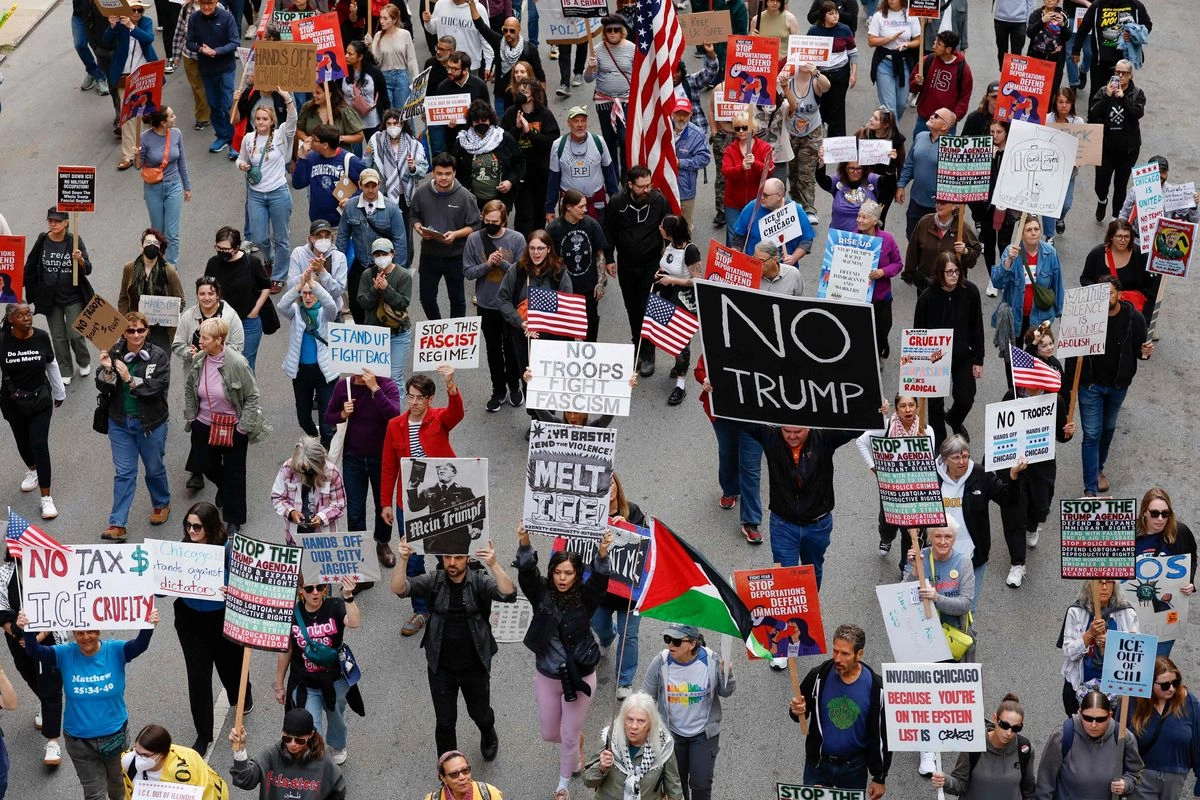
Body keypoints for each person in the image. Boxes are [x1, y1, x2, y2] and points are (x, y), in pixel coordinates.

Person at [392, 536, 516, 759]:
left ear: (467, 559)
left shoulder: (478, 580)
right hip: (441, 667)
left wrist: (494, 563)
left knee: (480, 714)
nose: (452, 562)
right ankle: (448, 766)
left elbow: (508, 593)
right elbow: (399, 589)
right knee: (445, 722)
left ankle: (488, 732)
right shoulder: (435, 580)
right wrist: (403, 560)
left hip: (474, 665)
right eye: (448, 557)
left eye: (458, 557)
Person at [18, 606, 158, 800]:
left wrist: (148, 624)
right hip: (79, 742)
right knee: (94, 794)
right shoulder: (64, 653)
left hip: (115, 737)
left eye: (91, 631)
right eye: (80, 633)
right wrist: (28, 627)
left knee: (118, 786)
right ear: (74, 634)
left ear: (99, 631)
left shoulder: (116, 650)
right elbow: (34, 651)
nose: (86, 637)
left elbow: (139, 645)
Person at [517, 524, 612, 800]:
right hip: (547, 675)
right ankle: (576, 739)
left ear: (576, 575)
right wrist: (525, 542)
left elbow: (599, 580)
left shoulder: (586, 597)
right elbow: (527, 575)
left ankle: (562, 786)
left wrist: (602, 554)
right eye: (557, 572)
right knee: (550, 733)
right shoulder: (542, 595)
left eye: (568, 573)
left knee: (567, 737)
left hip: (580, 676)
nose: (562, 578)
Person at [379, 367, 462, 634]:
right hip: (410, 502)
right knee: (412, 557)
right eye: (410, 397)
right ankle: (420, 610)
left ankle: (452, 601)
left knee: (445, 552)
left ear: (430, 399)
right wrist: (386, 503)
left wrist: (451, 384)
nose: (413, 403)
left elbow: (456, 413)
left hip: (441, 499)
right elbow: (389, 467)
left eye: (419, 398)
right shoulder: (395, 426)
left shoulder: (439, 418)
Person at [994, 324, 1074, 589]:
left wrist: (1068, 432)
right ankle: (1017, 563)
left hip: (1042, 465)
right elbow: (998, 430)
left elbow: (1062, 437)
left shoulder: (1056, 403)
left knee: (1039, 506)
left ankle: (1034, 524)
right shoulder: (1011, 397)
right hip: (1015, 466)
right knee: (1014, 510)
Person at [745, 421, 862, 585]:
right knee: (785, 580)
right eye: (786, 431)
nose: (791, 436)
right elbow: (736, 417)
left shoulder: (824, 439)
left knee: (812, 576)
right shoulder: (771, 437)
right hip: (783, 525)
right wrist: (715, 396)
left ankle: (811, 611)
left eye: (797, 432)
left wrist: (877, 408)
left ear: (808, 427)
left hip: (818, 526)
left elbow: (855, 427)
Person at [173, 501, 248, 755]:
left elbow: (244, 586)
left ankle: (242, 695)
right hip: (190, 621)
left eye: (197, 527)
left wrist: (230, 588)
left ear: (210, 526)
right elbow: (162, 591)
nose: (191, 531)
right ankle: (203, 734)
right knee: (198, 677)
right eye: (188, 525)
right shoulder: (180, 551)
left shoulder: (227, 550)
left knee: (231, 666)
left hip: (222, 618)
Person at [182, 316, 269, 535]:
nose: (200, 341)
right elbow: (190, 389)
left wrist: (243, 428)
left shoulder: (237, 363)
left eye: (204, 337)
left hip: (232, 426)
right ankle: (225, 487)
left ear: (219, 340)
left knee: (235, 473)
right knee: (205, 463)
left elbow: (252, 396)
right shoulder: (200, 359)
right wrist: (192, 417)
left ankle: (234, 519)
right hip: (203, 424)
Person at [788, 624, 890, 798]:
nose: (837, 658)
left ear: (859, 654)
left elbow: (883, 736)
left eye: (845, 654)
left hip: (854, 769)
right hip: (818, 765)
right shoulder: (819, 676)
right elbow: (799, 715)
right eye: (835, 651)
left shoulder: (876, 688)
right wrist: (797, 710)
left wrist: (879, 777)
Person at [1072, 275, 1152, 496]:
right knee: (1091, 433)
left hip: (1117, 386)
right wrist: (1070, 385)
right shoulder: (1085, 316)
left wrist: (1144, 354)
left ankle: (1098, 468)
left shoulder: (1134, 319)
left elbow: (1139, 351)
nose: (1106, 297)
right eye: (1102, 293)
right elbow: (1073, 349)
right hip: (1090, 386)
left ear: (1119, 294)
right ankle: (1090, 489)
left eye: (1110, 293)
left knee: (1107, 428)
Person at [96, 311, 172, 542]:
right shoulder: (114, 352)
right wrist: (108, 370)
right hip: (120, 423)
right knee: (124, 473)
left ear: (147, 331)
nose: (136, 334)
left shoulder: (158, 356)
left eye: (140, 330)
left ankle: (161, 503)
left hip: (151, 423)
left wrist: (129, 379)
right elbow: (102, 387)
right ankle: (118, 523)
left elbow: (156, 388)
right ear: (124, 332)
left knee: (154, 468)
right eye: (131, 330)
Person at [275, 575, 360, 766]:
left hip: (335, 680)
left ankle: (338, 745)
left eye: (319, 587)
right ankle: (318, 757)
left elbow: (354, 622)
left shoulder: (335, 606)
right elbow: (286, 651)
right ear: (300, 591)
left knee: (336, 716)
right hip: (305, 683)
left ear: (325, 588)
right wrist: (279, 685)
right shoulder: (292, 615)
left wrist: (348, 596)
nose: (315, 592)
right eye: (309, 588)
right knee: (310, 725)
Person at [642, 626, 735, 800]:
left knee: (701, 784)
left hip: (704, 735)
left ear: (693, 644)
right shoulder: (660, 662)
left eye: (677, 641)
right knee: (675, 784)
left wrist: (726, 674)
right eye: (668, 639)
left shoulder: (711, 660)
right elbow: (646, 697)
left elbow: (726, 692)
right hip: (672, 735)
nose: (671, 645)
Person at [936, 434, 1026, 610]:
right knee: (941, 604)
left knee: (968, 607)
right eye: (956, 458)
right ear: (945, 459)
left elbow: (1008, 501)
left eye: (965, 456)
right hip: (940, 551)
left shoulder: (980, 474)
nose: (962, 461)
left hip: (974, 554)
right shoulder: (932, 477)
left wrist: (1014, 477)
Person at [324, 368, 401, 566]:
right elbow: (328, 417)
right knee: (355, 509)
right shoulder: (344, 386)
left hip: (382, 458)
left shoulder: (387, 385)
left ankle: (382, 543)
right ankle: (358, 549)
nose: (358, 375)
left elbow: (395, 417)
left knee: (382, 504)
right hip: (353, 458)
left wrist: (375, 389)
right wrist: (342, 413)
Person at [0, 545, 64, 769]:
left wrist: (39, 636)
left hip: (48, 639)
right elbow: (2, 611)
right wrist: (18, 633)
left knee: (52, 686)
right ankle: (44, 703)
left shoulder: (51, 570)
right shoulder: (4, 574)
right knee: (30, 676)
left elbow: (61, 605)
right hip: (18, 642)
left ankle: (52, 741)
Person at [0, 303, 65, 518]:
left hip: (40, 399)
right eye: (19, 315)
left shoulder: (41, 337)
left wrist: (59, 391)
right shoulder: (2, 340)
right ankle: (33, 470)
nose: (26, 318)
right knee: (23, 443)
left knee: (39, 445)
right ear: (11, 320)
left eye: (28, 313)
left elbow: (51, 364)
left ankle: (46, 498)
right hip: (12, 401)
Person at [913, 254, 984, 444]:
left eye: (956, 271)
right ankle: (940, 442)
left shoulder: (971, 292)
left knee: (966, 398)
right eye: (949, 272)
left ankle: (954, 419)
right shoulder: (927, 298)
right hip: (934, 358)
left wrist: (979, 360)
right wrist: (917, 367)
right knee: (935, 404)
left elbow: (977, 327)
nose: (953, 275)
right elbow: (918, 332)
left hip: (962, 355)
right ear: (939, 273)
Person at [855, 394, 934, 565]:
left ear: (916, 407)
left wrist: (922, 443)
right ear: (896, 409)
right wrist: (874, 468)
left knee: (911, 530)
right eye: (903, 406)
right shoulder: (886, 426)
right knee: (887, 524)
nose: (907, 410)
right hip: (890, 487)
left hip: (914, 488)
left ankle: (905, 567)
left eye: (911, 405)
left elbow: (930, 462)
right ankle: (886, 539)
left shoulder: (926, 430)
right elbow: (861, 442)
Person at [603, 167, 670, 368]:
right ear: (630, 185)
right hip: (626, 263)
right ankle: (637, 345)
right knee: (632, 308)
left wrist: (669, 260)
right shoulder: (616, 202)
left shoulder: (659, 201)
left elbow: (671, 229)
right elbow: (609, 229)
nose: (646, 189)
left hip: (651, 265)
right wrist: (609, 258)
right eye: (641, 186)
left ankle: (648, 353)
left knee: (646, 309)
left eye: (649, 185)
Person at [462, 200, 526, 412]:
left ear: (504, 220)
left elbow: (522, 274)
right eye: (486, 221)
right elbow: (468, 272)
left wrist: (502, 264)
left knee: (513, 348)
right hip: (487, 304)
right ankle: (498, 390)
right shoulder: (474, 239)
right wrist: (487, 264)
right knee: (493, 350)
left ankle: (514, 386)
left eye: (495, 222)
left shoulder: (517, 239)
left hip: (511, 306)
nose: (490, 225)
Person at [22, 207, 94, 383]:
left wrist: (81, 260)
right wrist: (16, 285)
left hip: (73, 297)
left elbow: (88, 269)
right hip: (50, 299)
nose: (52, 224)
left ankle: (84, 361)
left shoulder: (74, 240)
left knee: (75, 334)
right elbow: (30, 265)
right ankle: (65, 370)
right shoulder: (43, 240)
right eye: (50, 221)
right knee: (58, 337)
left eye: (57, 221)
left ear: (66, 222)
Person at [237, 88, 297, 290]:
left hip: (278, 192)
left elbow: (292, 119)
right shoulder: (248, 139)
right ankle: (270, 259)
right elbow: (240, 159)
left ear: (272, 121)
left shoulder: (281, 135)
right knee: (259, 237)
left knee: (282, 238)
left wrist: (287, 98)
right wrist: (242, 166)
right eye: (258, 118)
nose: (261, 122)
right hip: (256, 195)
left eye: (265, 119)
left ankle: (279, 275)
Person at [410, 153, 482, 321]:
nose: (443, 177)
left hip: (455, 256)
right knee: (426, 299)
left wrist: (455, 235)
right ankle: (438, 329)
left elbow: (475, 225)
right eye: (439, 173)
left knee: (457, 300)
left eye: (448, 173)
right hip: (429, 255)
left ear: (454, 173)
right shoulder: (421, 193)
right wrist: (419, 229)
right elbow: (414, 215)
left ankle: (455, 334)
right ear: (433, 173)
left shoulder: (465, 196)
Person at [496, 229, 574, 383]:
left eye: (540, 248)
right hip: (523, 335)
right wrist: (520, 322)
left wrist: (545, 324)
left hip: (551, 337)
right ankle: (530, 408)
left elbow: (567, 304)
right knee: (528, 380)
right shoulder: (517, 270)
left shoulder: (559, 272)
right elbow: (503, 299)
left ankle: (548, 409)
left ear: (549, 249)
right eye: (532, 248)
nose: (536, 253)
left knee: (549, 381)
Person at [1034, 690, 1144, 798]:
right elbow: (1045, 783)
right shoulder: (1062, 736)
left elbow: (1136, 773)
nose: (1094, 725)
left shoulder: (1123, 737)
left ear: (1110, 715)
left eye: (1100, 719)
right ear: (1080, 713)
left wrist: (1126, 784)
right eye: (1088, 718)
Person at [337, 168, 408, 324]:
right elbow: (342, 235)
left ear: (379, 185)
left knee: (384, 304)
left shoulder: (391, 208)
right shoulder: (350, 206)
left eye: (373, 186)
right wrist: (338, 263)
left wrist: (397, 269)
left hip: (384, 266)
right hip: (361, 264)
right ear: (360, 185)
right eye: (366, 186)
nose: (370, 190)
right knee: (356, 304)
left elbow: (400, 239)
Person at [931, 694, 1036, 798]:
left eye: (1016, 728)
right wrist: (946, 781)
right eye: (1004, 725)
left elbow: (1028, 790)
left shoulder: (1024, 749)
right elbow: (960, 783)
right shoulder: (974, 744)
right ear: (995, 718)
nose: (1009, 733)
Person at [584, 693, 684, 800]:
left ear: (651, 723)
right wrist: (601, 768)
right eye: (630, 719)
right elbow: (587, 781)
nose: (634, 726)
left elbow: (674, 787)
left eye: (641, 721)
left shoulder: (663, 746)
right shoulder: (610, 738)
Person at [230, 708, 346, 800]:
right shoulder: (270, 755)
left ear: (310, 735)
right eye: (287, 738)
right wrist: (239, 751)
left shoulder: (324, 763)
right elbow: (244, 779)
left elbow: (338, 792)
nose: (292, 744)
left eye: (299, 740)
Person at [1060, 580, 1139, 715]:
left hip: (1116, 688)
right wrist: (1089, 634)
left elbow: (1136, 655)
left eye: (1108, 582)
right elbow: (1069, 653)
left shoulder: (1127, 613)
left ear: (1114, 586)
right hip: (1078, 685)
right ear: (1089, 585)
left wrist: (1113, 644)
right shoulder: (1076, 611)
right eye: (1099, 582)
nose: (1103, 587)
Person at [279, 276, 340, 447]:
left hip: (325, 373)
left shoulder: (325, 314)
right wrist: (298, 286)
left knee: (327, 423)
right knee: (303, 418)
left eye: (311, 293)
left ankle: (325, 455)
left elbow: (331, 305)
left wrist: (315, 285)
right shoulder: (296, 311)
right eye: (304, 293)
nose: (307, 297)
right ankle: (314, 438)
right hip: (301, 372)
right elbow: (282, 305)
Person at [363, 109, 429, 269]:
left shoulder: (413, 144)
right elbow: (366, 162)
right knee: (382, 231)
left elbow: (423, 169)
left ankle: (403, 267)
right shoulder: (376, 141)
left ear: (402, 124)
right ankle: (382, 263)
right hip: (383, 196)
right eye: (389, 124)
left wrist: (413, 168)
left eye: (396, 123)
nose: (393, 127)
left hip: (405, 198)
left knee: (405, 236)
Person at [1134, 488, 1197, 656]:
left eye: (1165, 513)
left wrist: (1190, 582)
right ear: (1144, 513)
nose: (1160, 519)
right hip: (1131, 615)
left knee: (1158, 665)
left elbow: (1191, 557)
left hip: (1164, 620)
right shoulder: (1129, 534)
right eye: (1154, 513)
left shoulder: (1179, 532)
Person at [1128, 657, 1200, 800]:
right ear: (1150, 684)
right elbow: (1119, 738)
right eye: (1165, 685)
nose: (1172, 688)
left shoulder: (1190, 703)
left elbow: (1198, 744)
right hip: (1141, 777)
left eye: (1176, 682)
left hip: (1174, 778)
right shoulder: (1133, 702)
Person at [203, 227, 271, 372]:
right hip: (221, 323)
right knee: (222, 364)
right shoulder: (213, 263)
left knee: (245, 365)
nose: (221, 252)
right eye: (218, 248)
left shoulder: (251, 262)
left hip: (248, 322)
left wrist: (255, 310)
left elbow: (266, 286)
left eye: (225, 249)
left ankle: (247, 395)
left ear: (236, 248)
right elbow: (207, 290)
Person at [543, 189, 607, 344]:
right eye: (581, 206)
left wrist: (600, 282)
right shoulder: (553, 229)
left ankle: (590, 351)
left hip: (588, 286)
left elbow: (600, 254)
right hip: (564, 287)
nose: (585, 210)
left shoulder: (592, 224)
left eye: (585, 206)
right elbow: (548, 258)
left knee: (590, 322)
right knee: (565, 326)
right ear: (568, 207)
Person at [102, 0, 158, 170]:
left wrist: (133, 28)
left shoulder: (146, 23)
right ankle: (128, 155)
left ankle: (146, 151)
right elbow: (105, 42)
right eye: (133, 10)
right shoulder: (119, 24)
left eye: (139, 10)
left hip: (144, 75)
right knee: (127, 117)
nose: (136, 13)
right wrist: (112, 27)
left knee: (146, 114)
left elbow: (149, 38)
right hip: (125, 76)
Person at [990, 216, 1066, 342]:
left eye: (1036, 229)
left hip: (1042, 318)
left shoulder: (1050, 253)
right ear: (1021, 233)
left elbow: (1057, 285)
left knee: (1039, 355)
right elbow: (997, 282)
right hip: (1015, 317)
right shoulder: (1011, 251)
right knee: (1014, 358)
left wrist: (1061, 313)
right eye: (1029, 229)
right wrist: (1008, 261)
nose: (1033, 232)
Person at [501, 77, 559, 237]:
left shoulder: (544, 114)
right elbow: (502, 142)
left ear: (533, 94)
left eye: (525, 91)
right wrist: (516, 129)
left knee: (539, 213)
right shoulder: (510, 113)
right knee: (523, 214)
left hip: (540, 173)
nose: (521, 94)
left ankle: (538, 244)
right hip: (520, 173)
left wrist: (529, 132)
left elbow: (551, 143)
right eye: (519, 91)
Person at [1088, 59, 1145, 223]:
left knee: (1121, 185)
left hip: (1128, 150)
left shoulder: (1137, 94)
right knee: (1101, 183)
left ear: (1130, 75)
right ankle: (1102, 200)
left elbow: (1136, 114)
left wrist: (1123, 99)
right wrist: (1107, 96)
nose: (1120, 76)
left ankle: (1115, 218)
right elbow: (1093, 113)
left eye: (1124, 73)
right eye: (1117, 72)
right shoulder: (1103, 91)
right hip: (1105, 148)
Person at [544, 106, 619, 223]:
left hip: (596, 204)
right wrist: (549, 209)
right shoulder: (558, 145)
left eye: (583, 121)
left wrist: (615, 202)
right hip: (570, 207)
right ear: (569, 123)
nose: (580, 125)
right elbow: (553, 179)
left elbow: (609, 174)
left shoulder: (599, 142)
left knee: (599, 237)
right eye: (576, 121)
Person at [357, 237, 414, 386]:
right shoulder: (367, 275)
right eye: (377, 254)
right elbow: (364, 303)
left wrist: (386, 289)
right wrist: (375, 289)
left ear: (393, 254)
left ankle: (396, 409)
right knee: (373, 377)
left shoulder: (403, 275)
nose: (381, 257)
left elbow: (402, 303)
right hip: (374, 336)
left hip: (398, 333)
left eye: (384, 253)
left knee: (394, 378)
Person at [271, 437, 347, 548]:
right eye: (302, 471)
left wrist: (322, 517)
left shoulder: (332, 472)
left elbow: (340, 504)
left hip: (324, 541)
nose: (306, 474)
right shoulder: (288, 468)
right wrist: (291, 512)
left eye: (311, 471)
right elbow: (277, 497)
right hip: (294, 538)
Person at [117, 229, 185, 354]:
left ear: (160, 248)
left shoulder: (169, 271)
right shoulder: (129, 268)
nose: (151, 245)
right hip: (135, 328)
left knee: (159, 365)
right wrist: (123, 322)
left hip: (160, 331)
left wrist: (166, 315)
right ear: (141, 246)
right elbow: (123, 298)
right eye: (148, 242)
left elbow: (181, 302)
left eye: (155, 243)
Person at [582, 16, 633, 180]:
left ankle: (626, 176)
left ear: (621, 31)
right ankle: (612, 177)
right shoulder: (596, 50)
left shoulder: (632, 48)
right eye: (609, 30)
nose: (612, 33)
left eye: (616, 30)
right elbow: (588, 79)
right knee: (609, 140)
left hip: (626, 101)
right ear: (605, 32)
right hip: (605, 102)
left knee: (625, 140)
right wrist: (590, 68)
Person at [138, 107, 191, 263]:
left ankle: (172, 267)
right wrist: (136, 154)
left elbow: (182, 161)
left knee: (172, 233)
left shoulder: (176, 134)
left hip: (174, 186)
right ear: (162, 122)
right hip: (153, 189)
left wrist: (187, 187)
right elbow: (137, 165)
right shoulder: (144, 138)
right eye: (171, 116)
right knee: (158, 231)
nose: (175, 117)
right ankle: (159, 262)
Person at [449, 100, 524, 210]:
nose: (481, 124)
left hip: (499, 200)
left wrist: (510, 181)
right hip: (471, 201)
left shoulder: (503, 138)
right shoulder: (462, 141)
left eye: (484, 120)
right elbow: (453, 165)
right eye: (476, 121)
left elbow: (520, 163)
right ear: (471, 123)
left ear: (490, 120)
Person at [896, 108, 959, 240]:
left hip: (938, 207)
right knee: (912, 237)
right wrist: (901, 185)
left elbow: (956, 178)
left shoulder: (953, 147)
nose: (931, 116)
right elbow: (910, 163)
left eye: (936, 116)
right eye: (933, 113)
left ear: (945, 125)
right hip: (916, 201)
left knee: (933, 242)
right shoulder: (920, 136)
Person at [186, 0, 239, 155]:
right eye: (203, 3)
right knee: (214, 104)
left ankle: (234, 141)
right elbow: (189, 42)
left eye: (209, 3)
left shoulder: (227, 17)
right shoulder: (194, 18)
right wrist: (200, 49)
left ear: (216, 2)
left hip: (226, 69)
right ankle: (221, 136)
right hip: (206, 69)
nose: (206, 7)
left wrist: (216, 51)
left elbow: (235, 42)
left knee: (228, 104)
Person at [121, 724, 228, 799]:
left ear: (161, 754)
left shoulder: (187, 771)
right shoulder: (128, 761)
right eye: (137, 751)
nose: (138, 758)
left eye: (145, 755)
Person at [293, 122, 366, 228]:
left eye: (314, 139)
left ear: (325, 145)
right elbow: (298, 183)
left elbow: (369, 183)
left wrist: (351, 199)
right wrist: (302, 157)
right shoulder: (311, 157)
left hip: (342, 222)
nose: (309, 141)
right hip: (317, 222)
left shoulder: (349, 160)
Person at [779, 61, 827, 217]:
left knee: (806, 173)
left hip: (811, 133)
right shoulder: (787, 80)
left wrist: (816, 72)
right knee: (792, 173)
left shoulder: (815, 81)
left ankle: (808, 209)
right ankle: (795, 206)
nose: (806, 63)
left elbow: (827, 86)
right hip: (790, 133)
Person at [855, 202, 902, 358]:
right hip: (857, 298)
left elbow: (898, 263)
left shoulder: (887, 239)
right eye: (859, 216)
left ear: (875, 221)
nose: (859, 220)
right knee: (861, 333)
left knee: (882, 331)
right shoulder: (850, 238)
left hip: (881, 298)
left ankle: (881, 352)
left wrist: (883, 272)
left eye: (864, 217)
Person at [729, 178, 817, 262]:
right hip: (755, 267)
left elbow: (806, 240)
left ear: (779, 196)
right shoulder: (752, 207)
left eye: (765, 195)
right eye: (760, 193)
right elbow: (738, 238)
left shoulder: (795, 210)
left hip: (784, 269)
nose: (761, 198)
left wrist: (793, 258)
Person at [1074, 0, 1152, 93]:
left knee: (1122, 93)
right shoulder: (1097, 6)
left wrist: (1133, 35)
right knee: (1097, 94)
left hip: (1124, 63)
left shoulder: (1135, 5)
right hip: (1100, 61)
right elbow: (1083, 28)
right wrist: (1076, 50)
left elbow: (1147, 25)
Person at [172, 276, 245, 374]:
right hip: (195, 377)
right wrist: (190, 353)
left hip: (223, 375)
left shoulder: (231, 317)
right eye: (202, 294)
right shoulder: (188, 317)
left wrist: (217, 354)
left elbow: (238, 347)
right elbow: (177, 345)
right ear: (197, 295)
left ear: (218, 295)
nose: (206, 298)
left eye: (211, 294)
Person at [806, 1, 857, 138]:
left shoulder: (845, 30)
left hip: (840, 75)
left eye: (836, 13)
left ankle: (837, 149)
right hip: (819, 76)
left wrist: (853, 74)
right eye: (831, 13)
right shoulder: (814, 31)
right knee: (819, 108)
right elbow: (806, 52)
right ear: (823, 16)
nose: (835, 16)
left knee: (837, 111)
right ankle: (818, 145)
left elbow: (853, 52)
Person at [1080, 219, 1150, 314]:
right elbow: (1085, 279)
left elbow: (1149, 284)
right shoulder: (1097, 254)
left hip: (1130, 311)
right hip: (1102, 309)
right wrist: (1100, 292)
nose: (1123, 240)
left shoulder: (1138, 255)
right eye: (1119, 236)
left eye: (1126, 237)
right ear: (1111, 237)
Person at [910, 32, 972, 137]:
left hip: (946, 126)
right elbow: (912, 87)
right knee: (918, 151)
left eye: (938, 44)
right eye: (935, 42)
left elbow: (965, 96)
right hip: (924, 120)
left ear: (948, 49)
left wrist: (954, 117)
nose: (933, 46)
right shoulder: (927, 61)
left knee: (942, 153)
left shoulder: (963, 69)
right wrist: (917, 83)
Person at [867, 0, 920, 120]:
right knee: (889, 108)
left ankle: (890, 129)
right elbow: (871, 41)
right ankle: (893, 137)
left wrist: (907, 44)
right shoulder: (879, 15)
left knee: (902, 104)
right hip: (884, 63)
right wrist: (890, 38)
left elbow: (918, 40)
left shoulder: (911, 14)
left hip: (904, 63)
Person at [1042, 87, 1084, 237]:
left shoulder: (1078, 122)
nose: (1064, 105)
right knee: (1048, 204)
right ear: (1055, 103)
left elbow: (1084, 148)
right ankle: (1049, 236)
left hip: (1068, 173)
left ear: (1072, 104)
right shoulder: (1047, 119)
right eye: (1060, 102)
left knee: (1065, 205)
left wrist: (1080, 159)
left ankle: (1059, 218)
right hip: (1048, 172)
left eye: (1067, 102)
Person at [855, 105, 906, 226]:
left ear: (886, 124)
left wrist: (900, 187)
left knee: (878, 219)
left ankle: (876, 242)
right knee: (861, 216)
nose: (871, 119)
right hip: (864, 182)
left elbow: (901, 165)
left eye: (876, 118)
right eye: (872, 116)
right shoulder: (863, 133)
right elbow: (849, 151)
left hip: (886, 185)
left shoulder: (896, 140)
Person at [287, 221, 349, 310]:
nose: (323, 240)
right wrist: (308, 273)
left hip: (331, 310)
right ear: (312, 239)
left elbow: (338, 291)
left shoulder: (339, 257)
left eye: (326, 236)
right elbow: (290, 286)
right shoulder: (298, 253)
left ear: (331, 238)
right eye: (319, 236)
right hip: (305, 309)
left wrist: (322, 271)